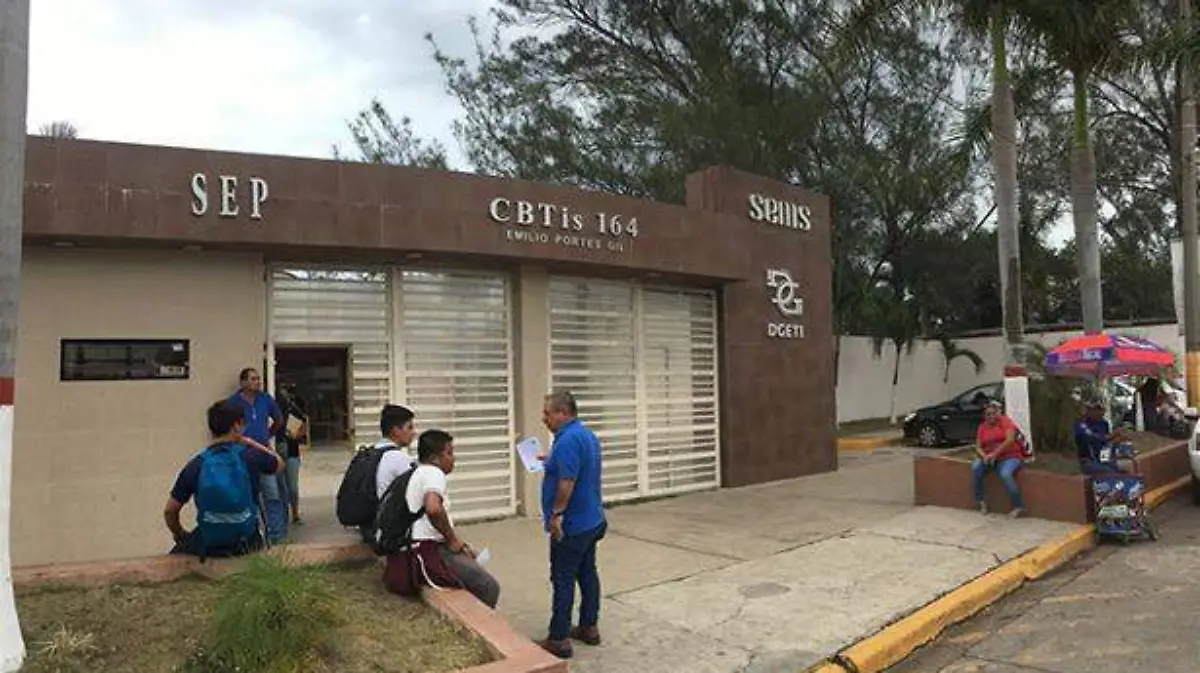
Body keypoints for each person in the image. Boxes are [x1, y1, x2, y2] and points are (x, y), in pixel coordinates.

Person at [164, 400, 284, 558]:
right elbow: (280, 464)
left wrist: (179, 533)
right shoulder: (250, 456)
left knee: (174, 556)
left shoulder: (197, 464)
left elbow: (170, 511)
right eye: (243, 424)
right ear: (236, 426)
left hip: (210, 544)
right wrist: (252, 443)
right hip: (247, 541)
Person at [395, 429, 500, 608]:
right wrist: (452, 540)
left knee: (472, 566)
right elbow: (433, 509)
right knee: (488, 586)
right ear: (435, 458)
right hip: (426, 552)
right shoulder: (433, 473)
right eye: (449, 453)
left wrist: (460, 545)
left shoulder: (419, 471)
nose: (453, 458)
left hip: (423, 547)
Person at [538, 391, 607, 659]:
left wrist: (557, 514)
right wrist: (551, 461)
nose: (544, 419)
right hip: (592, 520)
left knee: (563, 578)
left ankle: (559, 638)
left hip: (573, 524)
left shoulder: (567, 441)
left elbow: (567, 482)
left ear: (563, 413)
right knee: (587, 572)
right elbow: (578, 467)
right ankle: (589, 626)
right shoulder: (585, 435)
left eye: (548, 413)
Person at [226, 367, 287, 542]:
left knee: (272, 494)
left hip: (264, 453)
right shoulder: (233, 403)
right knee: (248, 495)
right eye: (253, 379)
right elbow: (228, 428)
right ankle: (252, 535)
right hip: (242, 455)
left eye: (258, 379)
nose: (258, 382)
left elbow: (279, 420)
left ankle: (277, 535)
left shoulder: (265, 399)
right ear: (243, 382)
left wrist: (268, 434)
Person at [358, 404, 418, 543]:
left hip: (370, 526)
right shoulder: (399, 459)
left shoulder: (373, 452)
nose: (413, 432)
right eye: (409, 427)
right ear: (396, 430)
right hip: (390, 532)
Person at [971, 399, 1027, 519]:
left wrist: (995, 454)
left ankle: (1019, 506)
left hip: (1010, 456)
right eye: (988, 414)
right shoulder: (982, 427)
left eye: (993, 413)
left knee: (1005, 474)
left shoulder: (1005, 422)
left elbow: (1010, 439)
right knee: (976, 467)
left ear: (997, 412)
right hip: (990, 458)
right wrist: (984, 456)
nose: (991, 416)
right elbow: (978, 446)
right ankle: (981, 502)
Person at [276, 384, 309, 525]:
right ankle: (284, 514)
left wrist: (298, 434)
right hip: (277, 447)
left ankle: (294, 513)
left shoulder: (294, 407)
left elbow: (304, 422)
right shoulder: (273, 406)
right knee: (280, 486)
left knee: (292, 487)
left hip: (292, 449)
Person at [1076, 399, 1130, 475]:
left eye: (1101, 410)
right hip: (1088, 461)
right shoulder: (1082, 424)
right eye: (1095, 409)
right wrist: (1110, 436)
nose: (1100, 413)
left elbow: (1105, 445)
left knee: (1122, 473)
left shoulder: (1104, 424)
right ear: (1089, 410)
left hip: (1103, 458)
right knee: (1109, 473)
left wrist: (1116, 441)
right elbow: (1091, 437)